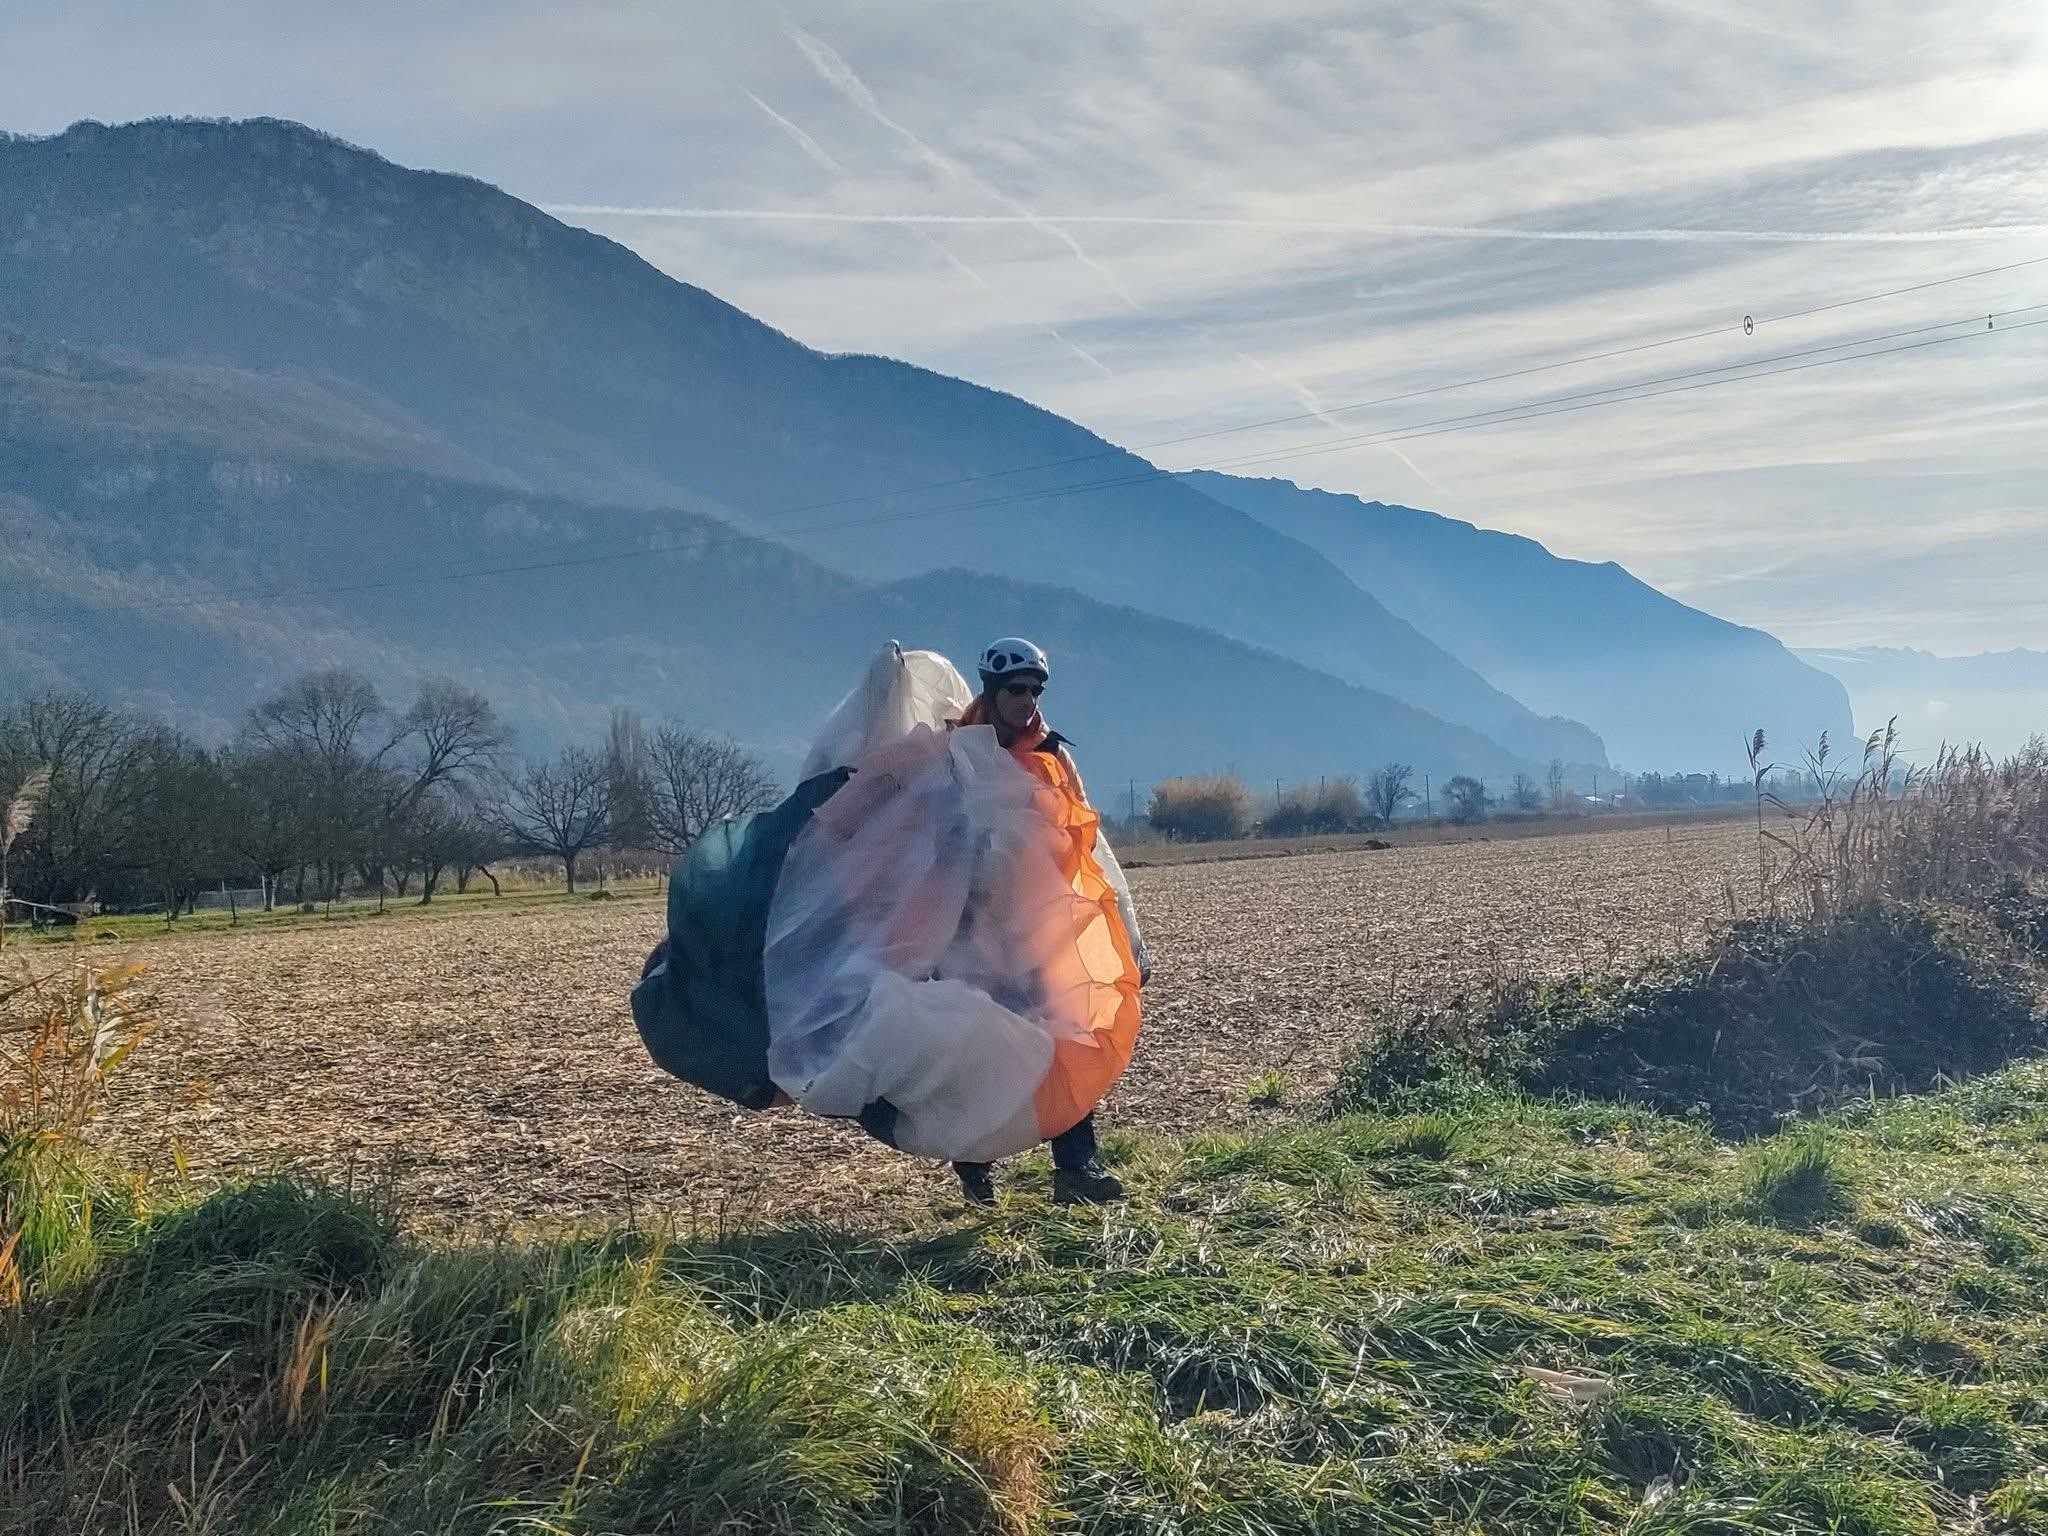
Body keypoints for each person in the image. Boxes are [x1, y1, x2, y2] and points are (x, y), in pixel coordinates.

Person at [948, 636, 1133, 1207]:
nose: (1027, 701)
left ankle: (1076, 1170)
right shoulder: (955, 753)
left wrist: (1121, 930)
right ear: (992, 691)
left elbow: (1085, 839)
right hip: (968, 929)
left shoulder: (1051, 754)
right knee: (981, 1049)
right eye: (1015, 690)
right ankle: (974, 1166)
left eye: (1034, 690)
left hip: (1039, 926)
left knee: (1065, 1039)